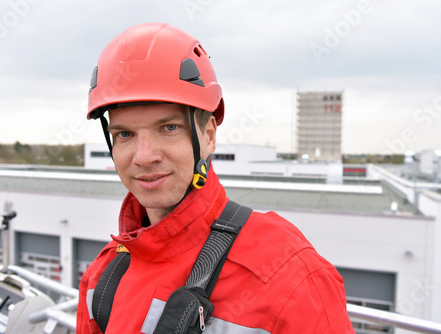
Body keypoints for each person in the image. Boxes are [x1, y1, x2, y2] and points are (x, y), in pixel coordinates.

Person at [76, 22, 354, 333]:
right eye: (125, 134)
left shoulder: (290, 274)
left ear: (208, 135)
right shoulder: (103, 277)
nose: (144, 156)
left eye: (168, 128)